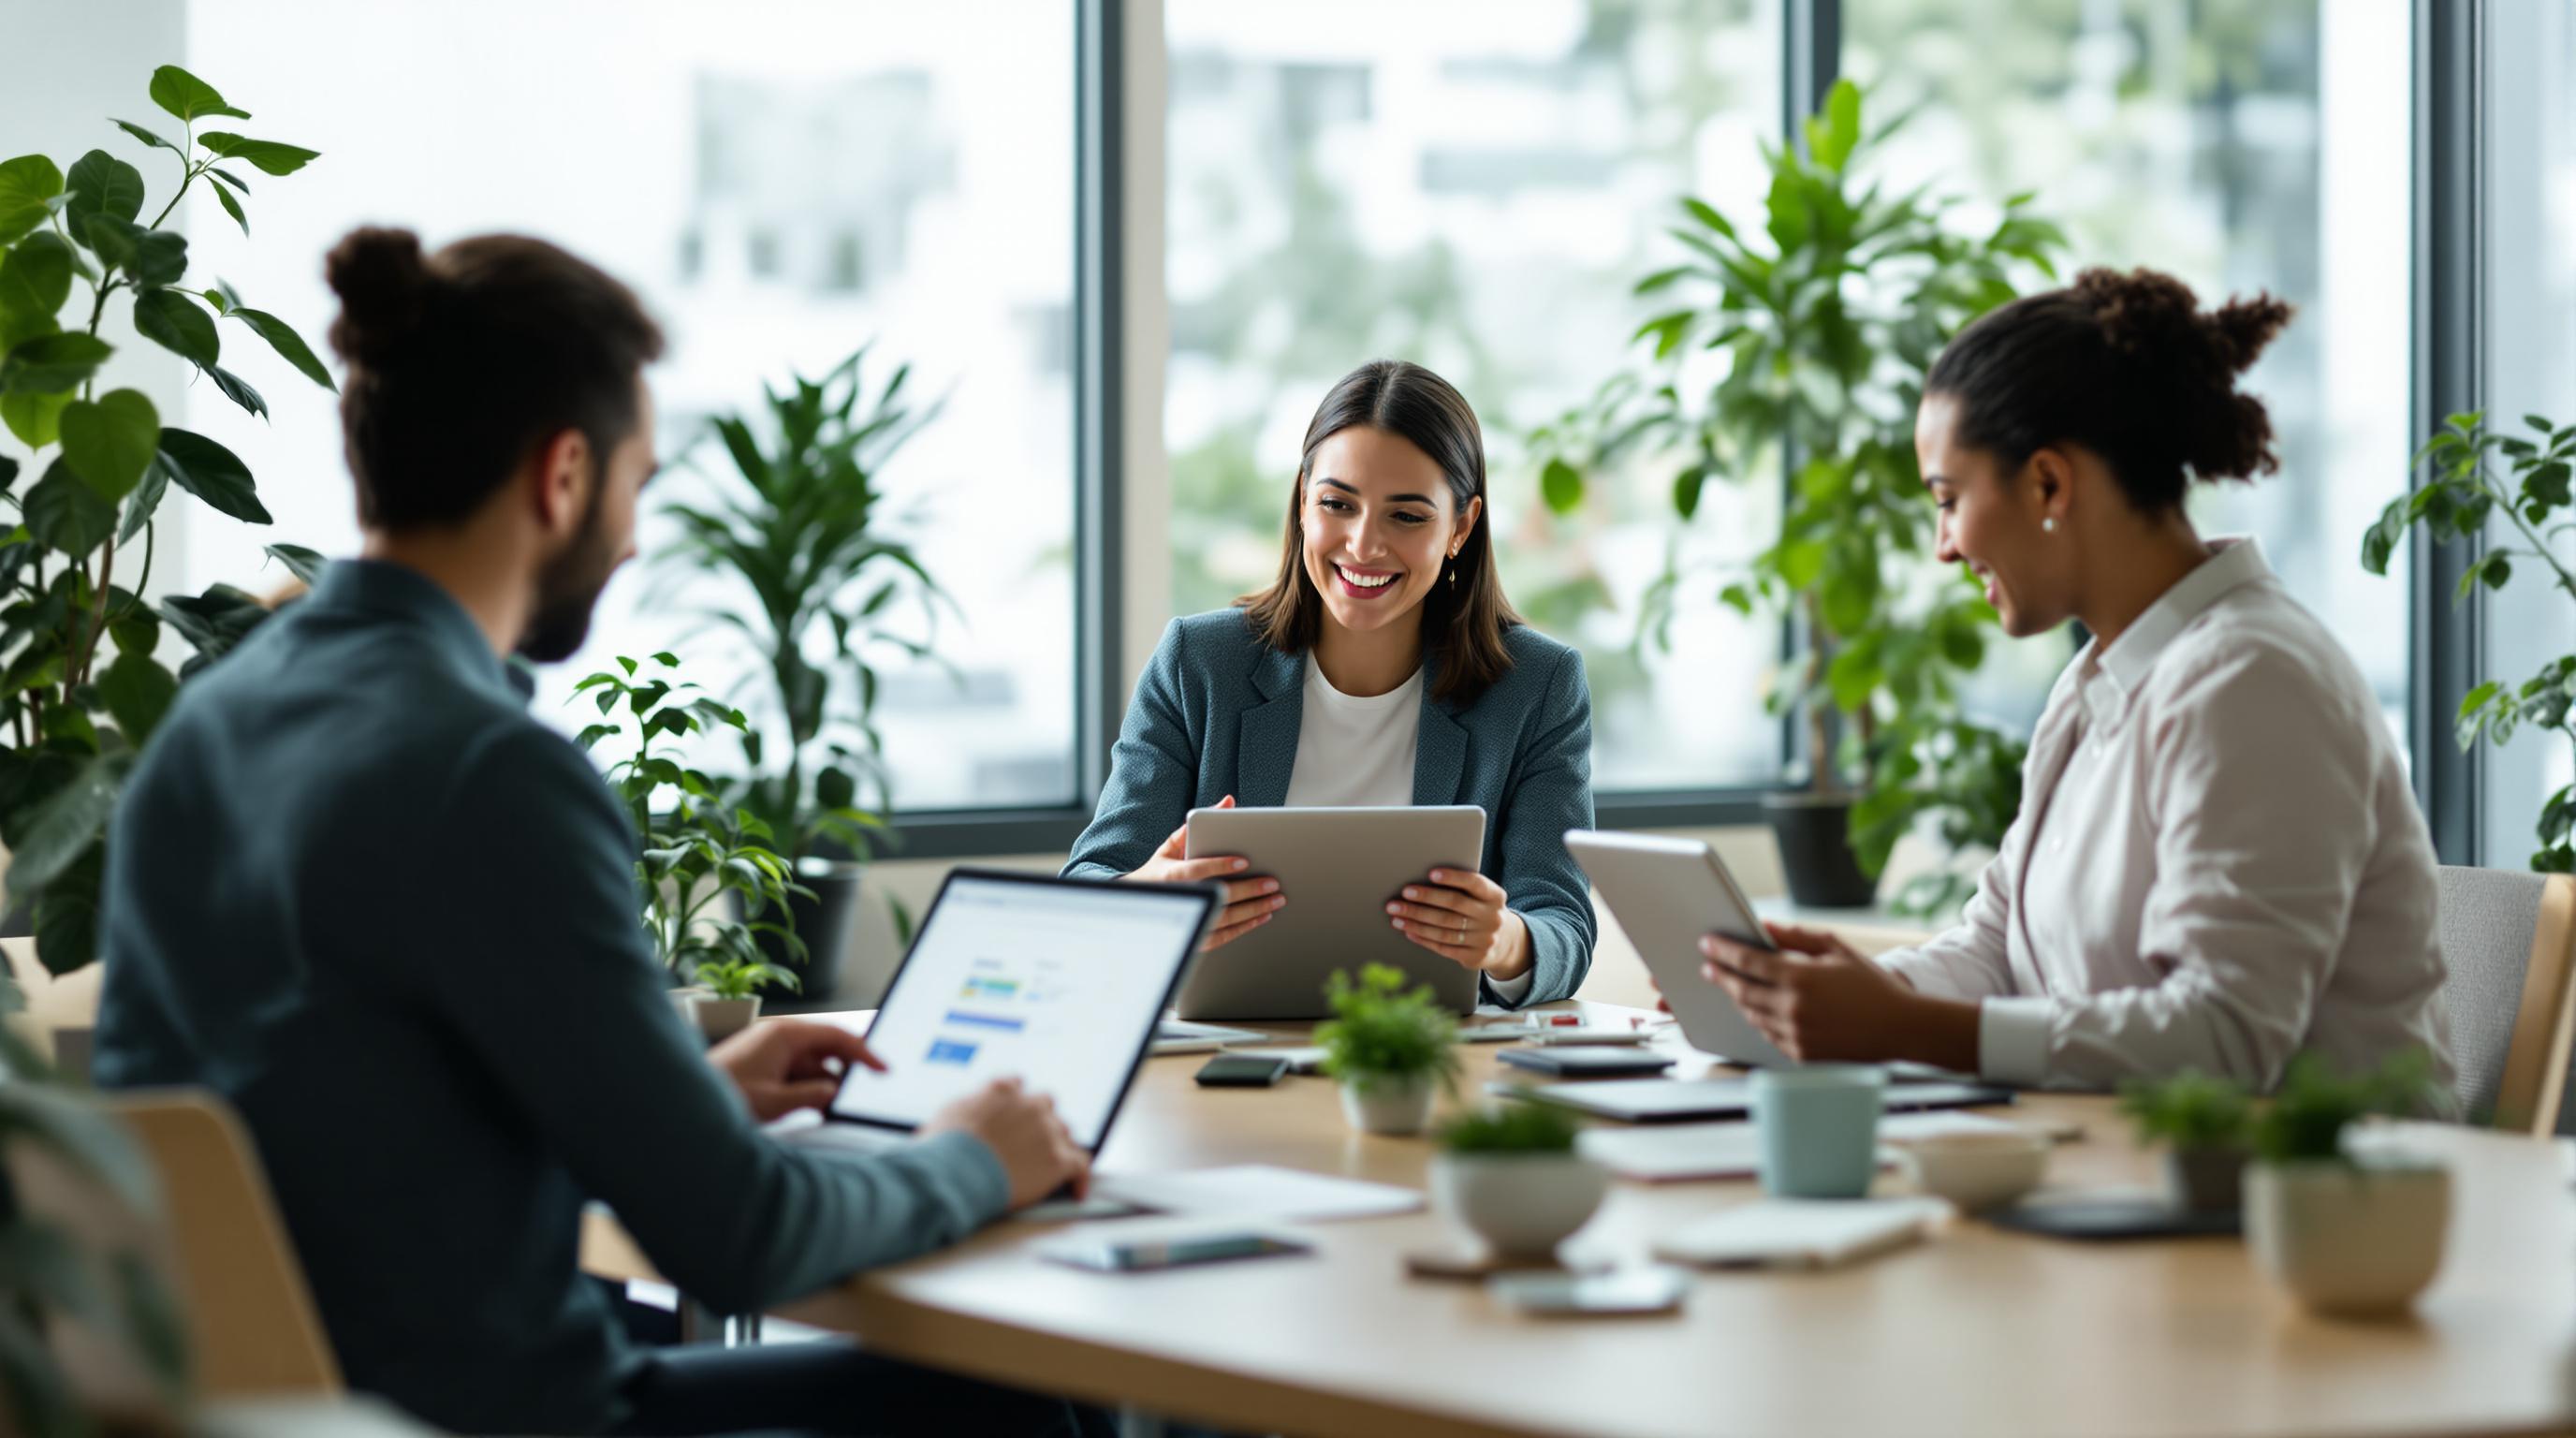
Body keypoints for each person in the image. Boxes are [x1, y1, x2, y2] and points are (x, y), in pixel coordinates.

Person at [93, 227, 1104, 1437]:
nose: (632, 538)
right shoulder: (488, 771)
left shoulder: (214, 720)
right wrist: (975, 1156)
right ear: (561, 476)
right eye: (640, 485)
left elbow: (344, 1133)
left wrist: (678, 1101)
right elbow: (744, 1242)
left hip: (292, 1404)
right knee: (1021, 1407)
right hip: (506, 1417)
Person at [1689, 268, 2455, 1097]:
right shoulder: (2098, 684)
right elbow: (1997, 947)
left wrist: (1903, 1027)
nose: (1943, 545)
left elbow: (2229, 1037)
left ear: (2049, 483)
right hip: (2127, 1173)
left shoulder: (2254, 681)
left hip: (2324, 1208)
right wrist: (1843, 996)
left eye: (1948, 500)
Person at [1064, 360, 1596, 1005]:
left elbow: (1563, 926)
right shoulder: (1198, 664)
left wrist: (1503, 939)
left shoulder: (1538, 686)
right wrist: (1154, 895)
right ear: (1301, 500)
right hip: (1222, 1057)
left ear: (1460, 526)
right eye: (1337, 504)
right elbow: (1088, 893)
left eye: (1406, 517)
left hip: (1427, 1062)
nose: (1363, 544)